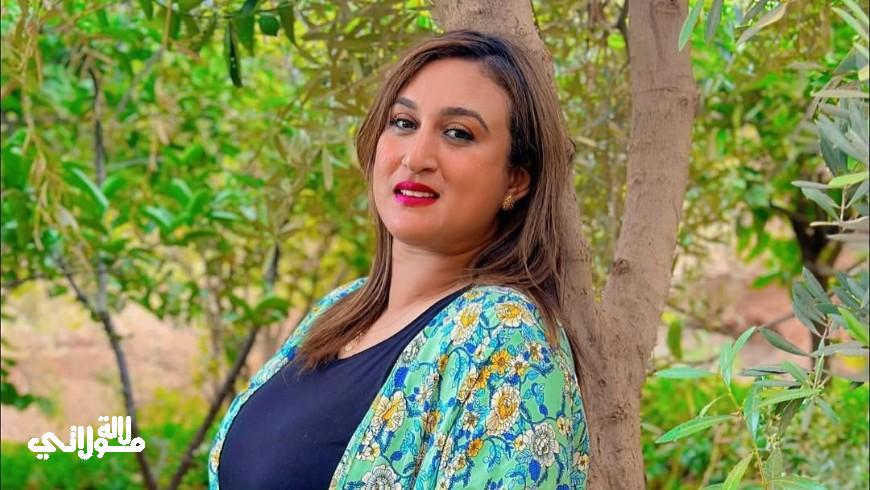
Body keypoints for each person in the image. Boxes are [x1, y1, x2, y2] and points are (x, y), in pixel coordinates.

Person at [208, 30, 589, 489]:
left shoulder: (506, 338)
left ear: (516, 180)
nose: (416, 157)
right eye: (404, 123)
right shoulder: (338, 310)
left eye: (458, 133)